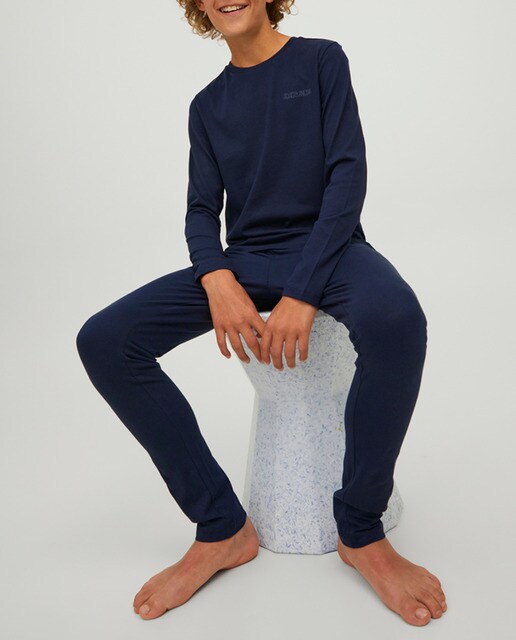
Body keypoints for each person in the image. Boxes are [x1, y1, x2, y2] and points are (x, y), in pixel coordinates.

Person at [76, 0, 447, 626]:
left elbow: (347, 176)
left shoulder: (322, 61)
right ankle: (221, 526)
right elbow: (201, 210)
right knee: (105, 340)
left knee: (398, 320)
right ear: (197, 5)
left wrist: (304, 291)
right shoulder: (206, 106)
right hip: (245, 261)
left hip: (333, 250)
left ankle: (360, 530)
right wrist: (215, 274)